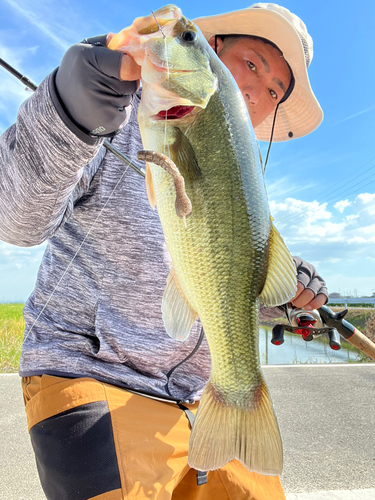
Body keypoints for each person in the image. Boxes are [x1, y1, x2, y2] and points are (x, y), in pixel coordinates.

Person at [0, 3, 327, 500]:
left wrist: (284, 290)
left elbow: (217, 287)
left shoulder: (244, 182)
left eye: (275, 90)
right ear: (212, 54)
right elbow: (15, 217)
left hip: (203, 397)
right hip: (95, 376)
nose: (257, 93)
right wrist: (70, 111)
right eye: (252, 64)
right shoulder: (105, 119)